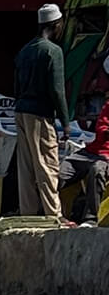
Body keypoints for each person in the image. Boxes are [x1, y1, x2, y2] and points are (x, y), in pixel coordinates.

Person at [14, 3, 71, 218]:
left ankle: (27, 214)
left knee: (26, 166)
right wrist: (65, 123)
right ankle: (53, 214)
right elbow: (57, 91)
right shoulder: (52, 52)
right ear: (56, 24)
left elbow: (16, 87)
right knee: (47, 163)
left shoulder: (24, 51)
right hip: (39, 114)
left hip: (21, 111)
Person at [59, 54, 109, 227]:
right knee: (61, 170)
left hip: (105, 159)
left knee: (97, 171)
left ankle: (90, 219)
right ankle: (50, 213)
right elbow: (101, 127)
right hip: (92, 151)